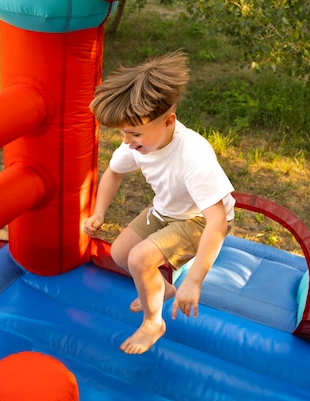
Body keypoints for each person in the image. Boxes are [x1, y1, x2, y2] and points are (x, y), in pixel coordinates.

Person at [84, 51, 236, 355]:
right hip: (166, 210)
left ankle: (153, 323)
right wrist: (99, 211)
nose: (127, 141)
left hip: (200, 220)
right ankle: (161, 288)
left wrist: (194, 280)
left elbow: (217, 221)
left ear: (169, 121)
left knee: (140, 259)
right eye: (123, 133)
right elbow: (113, 172)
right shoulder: (138, 144)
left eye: (134, 133)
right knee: (120, 253)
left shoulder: (193, 157)